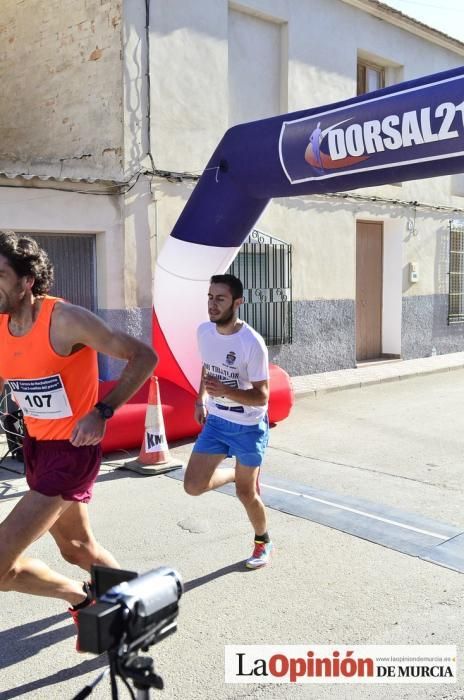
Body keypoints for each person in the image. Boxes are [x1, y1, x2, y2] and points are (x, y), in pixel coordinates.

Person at [0, 231, 157, 646]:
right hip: (36, 448)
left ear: (26, 281)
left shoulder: (64, 320)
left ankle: (82, 598)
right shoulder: (1, 325)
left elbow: (144, 356)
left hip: (72, 453)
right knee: (77, 547)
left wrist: (102, 411)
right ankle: (136, 601)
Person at [184, 274, 273, 569]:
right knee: (193, 486)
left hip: (248, 427)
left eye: (219, 299)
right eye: (210, 297)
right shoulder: (203, 333)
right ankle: (235, 473)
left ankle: (262, 542)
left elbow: (261, 396)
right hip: (217, 422)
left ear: (237, 303)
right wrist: (201, 399)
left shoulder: (252, 343)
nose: (212, 304)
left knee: (246, 494)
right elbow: (208, 368)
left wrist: (226, 391)